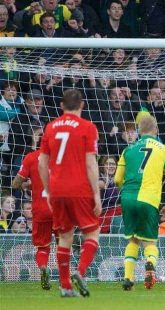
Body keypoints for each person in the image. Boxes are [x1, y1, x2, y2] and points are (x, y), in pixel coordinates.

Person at [38, 89, 101, 298]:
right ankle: (81, 272)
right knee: (92, 232)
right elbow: (91, 164)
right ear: (82, 105)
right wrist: (97, 195)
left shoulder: (50, 127)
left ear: (61, 106)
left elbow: (42, 163)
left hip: (57, 191)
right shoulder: (88, 127)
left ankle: (65, 286)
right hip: (80, 189)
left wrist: (48, 191)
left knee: (64, 237)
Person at [114, 115, 165, 291]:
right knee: (150, 243)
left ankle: (128, 278)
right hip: (149, 199)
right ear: (156, 130)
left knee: (133, 240)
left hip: (128, 197)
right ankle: (150, 263)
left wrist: (126, 193)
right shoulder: (164, 150)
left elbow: (117, 178)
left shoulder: (128, 150)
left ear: (138, 131)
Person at [11, 141, 53, 290]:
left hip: (41, 209)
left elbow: (16, 184)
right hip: (60, 208)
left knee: (42, 247)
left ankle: (43, 268)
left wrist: (29, 184)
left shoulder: (31, 157)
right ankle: (65, 279)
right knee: (64, 244)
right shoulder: (62, 158)